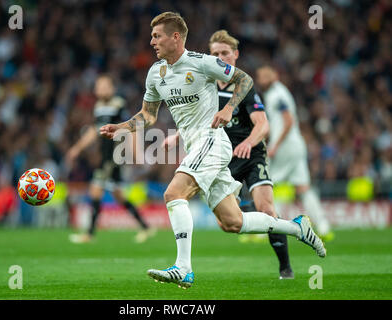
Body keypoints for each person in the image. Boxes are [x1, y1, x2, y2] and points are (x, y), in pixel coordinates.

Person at [100, 12, 326, 289]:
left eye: (157, 36)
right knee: (233, 222)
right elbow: (148, 115)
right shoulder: (155, 73)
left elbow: (244, 80)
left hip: (213, 141)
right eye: (151, 36)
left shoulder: (203, 63)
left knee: (174, 193)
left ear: (175, 37)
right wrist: (122, 127)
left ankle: (183, 268)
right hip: (197, 146)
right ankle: (297, 227)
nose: (151, 41)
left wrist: (229, 107)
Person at [67, 74, 156, 244]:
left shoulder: (118, 105)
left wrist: (135, 152)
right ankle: (146, 227)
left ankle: (89, 234)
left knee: (95, 190)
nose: (100, 89)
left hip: (115, 156)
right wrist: (77, 148)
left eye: (104, 86)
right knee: (119, 196)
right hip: (106, 156)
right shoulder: (99, 107)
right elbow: (94, 131)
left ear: (112, 88)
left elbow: (132, 126)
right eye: (98, 86)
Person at [256, 66, 334, 242]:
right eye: (259, 77)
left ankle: (264, 229)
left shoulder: (277, 94)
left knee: (267, 183)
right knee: (303, 187)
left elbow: (288, 120)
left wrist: (275, 144)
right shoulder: (278, 92)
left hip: (286, 145)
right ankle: (323, 226)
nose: (261, 80)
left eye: (264, 76)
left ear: (274, 76)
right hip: (296, 144)